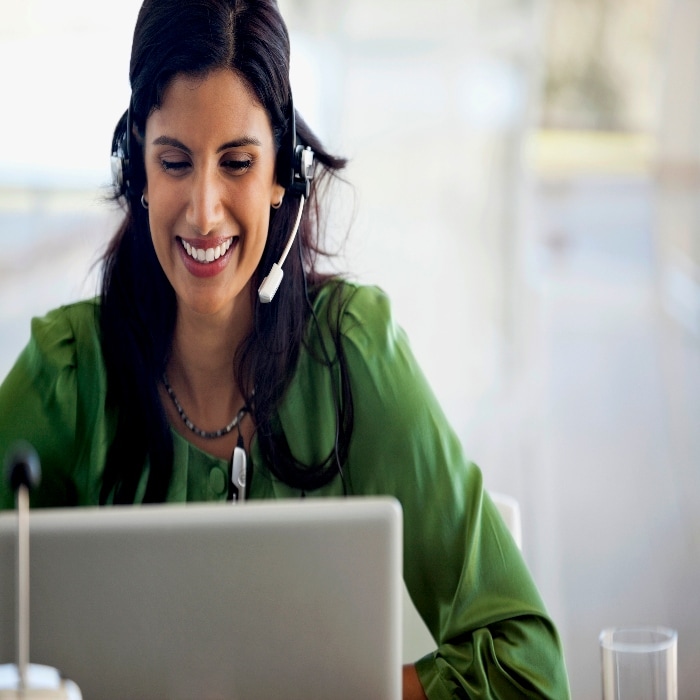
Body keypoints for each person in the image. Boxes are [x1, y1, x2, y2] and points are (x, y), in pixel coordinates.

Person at [0, 0, 571, 697]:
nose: (204, 210)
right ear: (137, 174)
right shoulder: (64, 372)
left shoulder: (354, 353)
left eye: (236, 162)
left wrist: (352, 690)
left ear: (282, 177)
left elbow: (528, 668)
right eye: (174, 161)